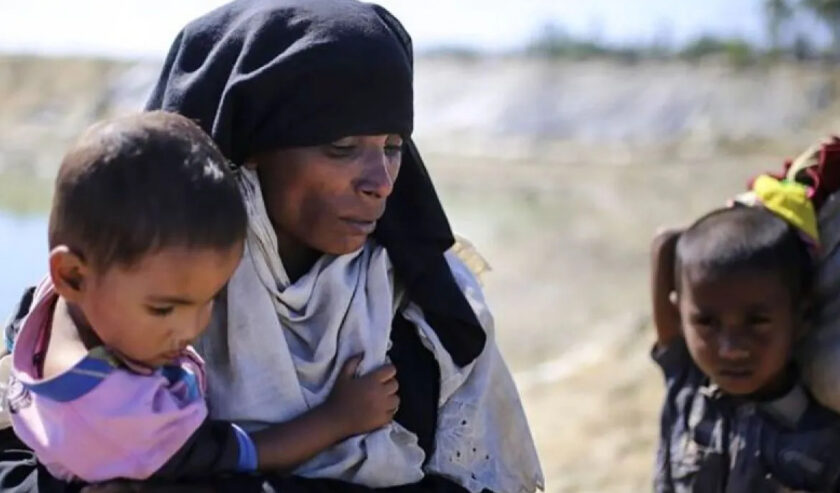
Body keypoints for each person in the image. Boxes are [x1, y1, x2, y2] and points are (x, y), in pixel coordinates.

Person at [0, 0, 543, 491]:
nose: (380, 179)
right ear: (255, 145)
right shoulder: (125, 284)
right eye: (341, 147)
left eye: (394, 146)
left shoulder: (429, 316)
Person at [6, 111, 403, 484]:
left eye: (211, 299)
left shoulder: (60, 301)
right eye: (164, 308)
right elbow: (242, 454)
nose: (193, 328)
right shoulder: (120, 414)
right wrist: (338, 418)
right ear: (71, 276)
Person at [650, 176, 840, 492]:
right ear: (681, 317)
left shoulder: (823, 436)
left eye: (757, 322)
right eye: (708, 323)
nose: (731, 349)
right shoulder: (687, 383)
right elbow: (665, 243)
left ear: (801, 317)